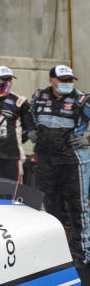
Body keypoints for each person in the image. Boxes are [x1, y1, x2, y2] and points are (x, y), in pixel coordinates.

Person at [30, 64, 90, 265]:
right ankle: (57, 251)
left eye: (70, 80)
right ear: (51, 80)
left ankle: (82, 254)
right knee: (50, 207)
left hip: (72, 161)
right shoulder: (39, 96)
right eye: (63, 80)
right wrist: (30, 130)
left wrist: (87, 139)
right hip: (46, 160)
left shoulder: (82, 99)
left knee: (78, 208)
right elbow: (28, 115)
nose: (67, 84)